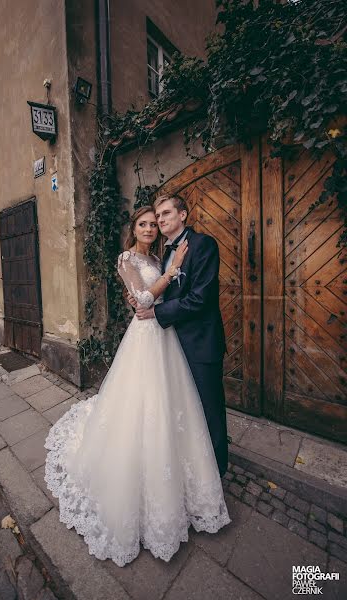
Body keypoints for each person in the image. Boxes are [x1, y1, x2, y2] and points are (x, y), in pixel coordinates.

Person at [44, 205, 230, 568]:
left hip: (167, 333)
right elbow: (143, 298)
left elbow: (159, 299)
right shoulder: (127, 257)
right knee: (143, 406)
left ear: (178, 218)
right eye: (145, 222)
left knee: (176, 406)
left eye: (156, 221)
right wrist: (168, 276)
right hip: (147, 334)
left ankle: (193, 477)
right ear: (135, 228)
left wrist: (165, 277)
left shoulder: (166, 254)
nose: (151, 227)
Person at [133, 195, 229, 477]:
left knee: (210, 411)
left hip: (201, 344)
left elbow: (201, 298)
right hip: (172, 344)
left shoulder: (203, 245)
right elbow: (160, 290)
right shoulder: (164, 254)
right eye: (157, 216)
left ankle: (217, 474)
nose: (160, 220)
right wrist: (141, 298)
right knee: (187, 411)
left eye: (166, 214)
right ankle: (196, 471)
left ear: (183, 214)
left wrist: (156, 313)